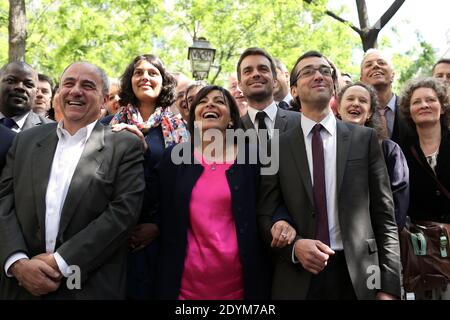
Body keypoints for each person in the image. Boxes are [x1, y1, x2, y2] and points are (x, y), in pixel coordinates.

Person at [258, 50, 401, 300]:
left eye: (325, 71)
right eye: (308, 71)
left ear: (334, 87)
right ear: (294, 90)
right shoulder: (275, 146)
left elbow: (385, 217)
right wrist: (294, 247)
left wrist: (388, 287)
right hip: (298, 276)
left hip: (358, 277)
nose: (319, 75)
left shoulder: (364, 139)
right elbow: (265, 212)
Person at [0, 62, 145, 299]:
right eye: (69, 83)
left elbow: (124, 213)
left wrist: (61, 261)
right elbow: (3, 200)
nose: (76, 91)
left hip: (88, 286)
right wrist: (17, 262)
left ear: (104, 99)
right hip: (21, 286)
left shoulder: (124, 146)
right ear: (58, 94)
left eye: (87, 86)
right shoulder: (25, 141)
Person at [150, 85, 270, 299]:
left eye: (219, 101)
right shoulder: (174, 159)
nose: (210, 104)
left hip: (241, 288)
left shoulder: (253, 157)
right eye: (203, 102)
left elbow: (270, 205)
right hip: (183, 288)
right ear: (194, 117)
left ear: (232, 119)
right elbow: (155, 204)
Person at [109, 54, 188, 299]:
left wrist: (157, 225)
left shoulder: (179, 129)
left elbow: (184, 185)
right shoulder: (109, 125)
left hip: (162, 235)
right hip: (114, 236)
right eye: (138, 72)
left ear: (164, 82)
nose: (145, 77)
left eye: (153, 73)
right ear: (129, 81)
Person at [398, 77, 450, 299]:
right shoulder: (401, 149)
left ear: (442, 106)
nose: (424, 105)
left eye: (431, 100)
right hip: (423, 250)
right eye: (417, 102)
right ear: (409, 111)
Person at [337, 81, 409, 230]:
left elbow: (397, 205)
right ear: (338, 108)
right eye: (350, 99)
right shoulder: (324, 147)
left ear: (370, 112)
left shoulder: (389, 150)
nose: (356, 104)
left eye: (363, 101)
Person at [238, 48, 300, 138]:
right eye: (248, 71)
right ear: (240, 84)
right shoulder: (233, 129)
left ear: (275, 80)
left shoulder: (300, 122)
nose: (256, 74)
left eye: (263, 69)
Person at [360, 49, 410, 148]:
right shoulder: (357, 113)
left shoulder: (410, 108)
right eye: (369, 65)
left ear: (392, 75)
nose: (375, 66)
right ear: (361, 80)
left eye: (381, 63)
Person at [0, 61, 53, 132]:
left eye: (28, 84)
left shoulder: (52, 131)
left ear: (36, 92)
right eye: (11, 80)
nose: (20, 87)